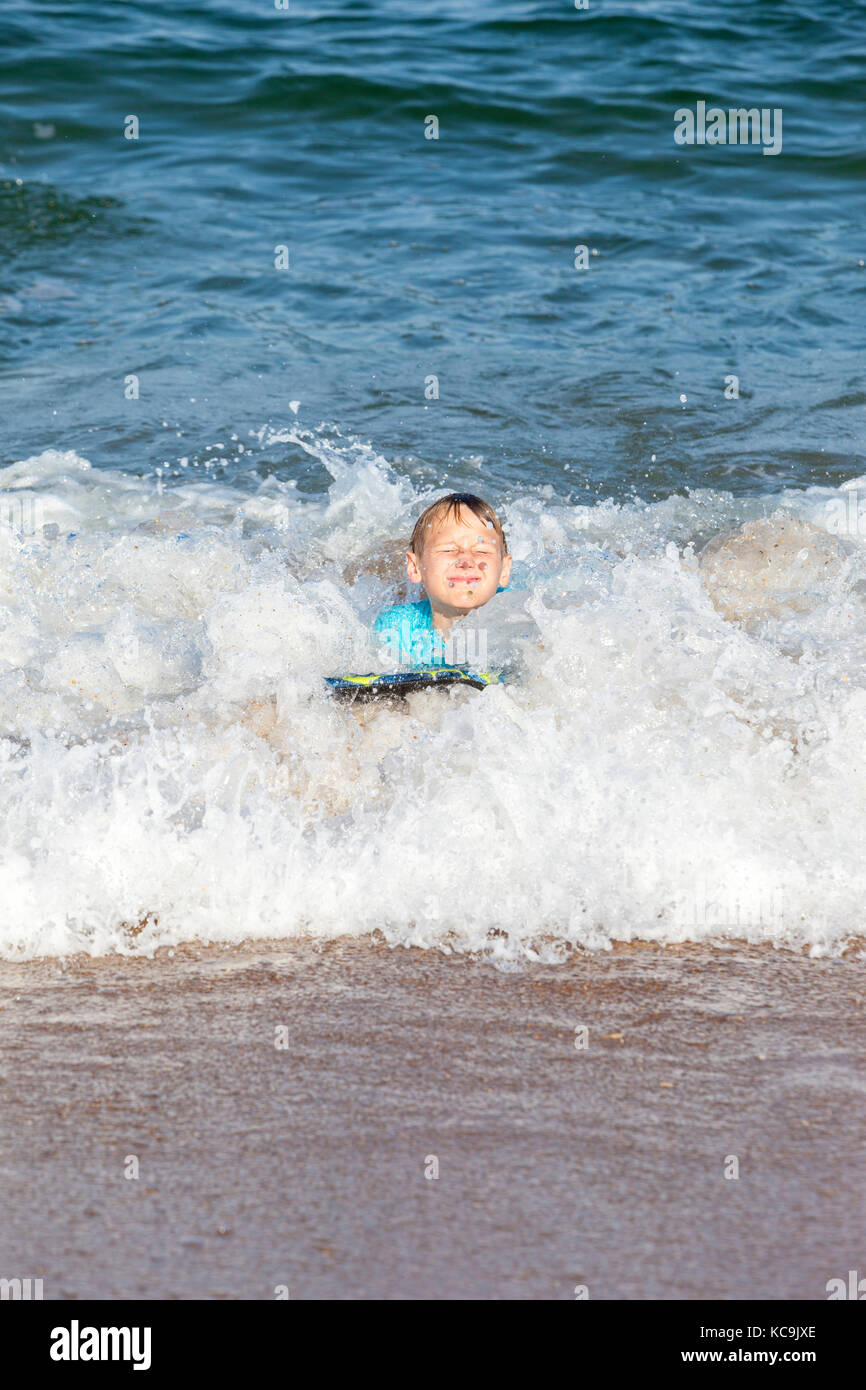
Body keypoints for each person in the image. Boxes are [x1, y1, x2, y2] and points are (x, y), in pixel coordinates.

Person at [373, 492, 511, 667]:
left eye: (481, 551)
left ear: (504, 570)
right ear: (415, 568)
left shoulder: (521, 620)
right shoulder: (396, 629)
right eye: (448, 550)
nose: (466, 561)